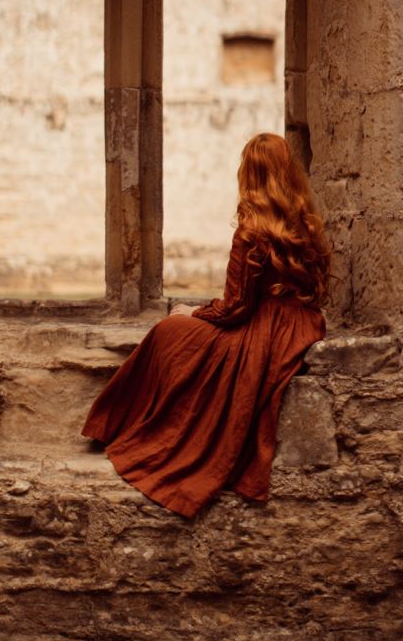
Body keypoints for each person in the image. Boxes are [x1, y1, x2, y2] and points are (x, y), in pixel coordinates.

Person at [80, 131, 332, 519]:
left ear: (249, 175)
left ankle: (122, 428)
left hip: (259, 327)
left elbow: (236, 310)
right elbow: (313, 292)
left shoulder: (251, 234)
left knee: (170, 333)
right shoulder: (307, 226)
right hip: (298, 326)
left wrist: (190, 312)